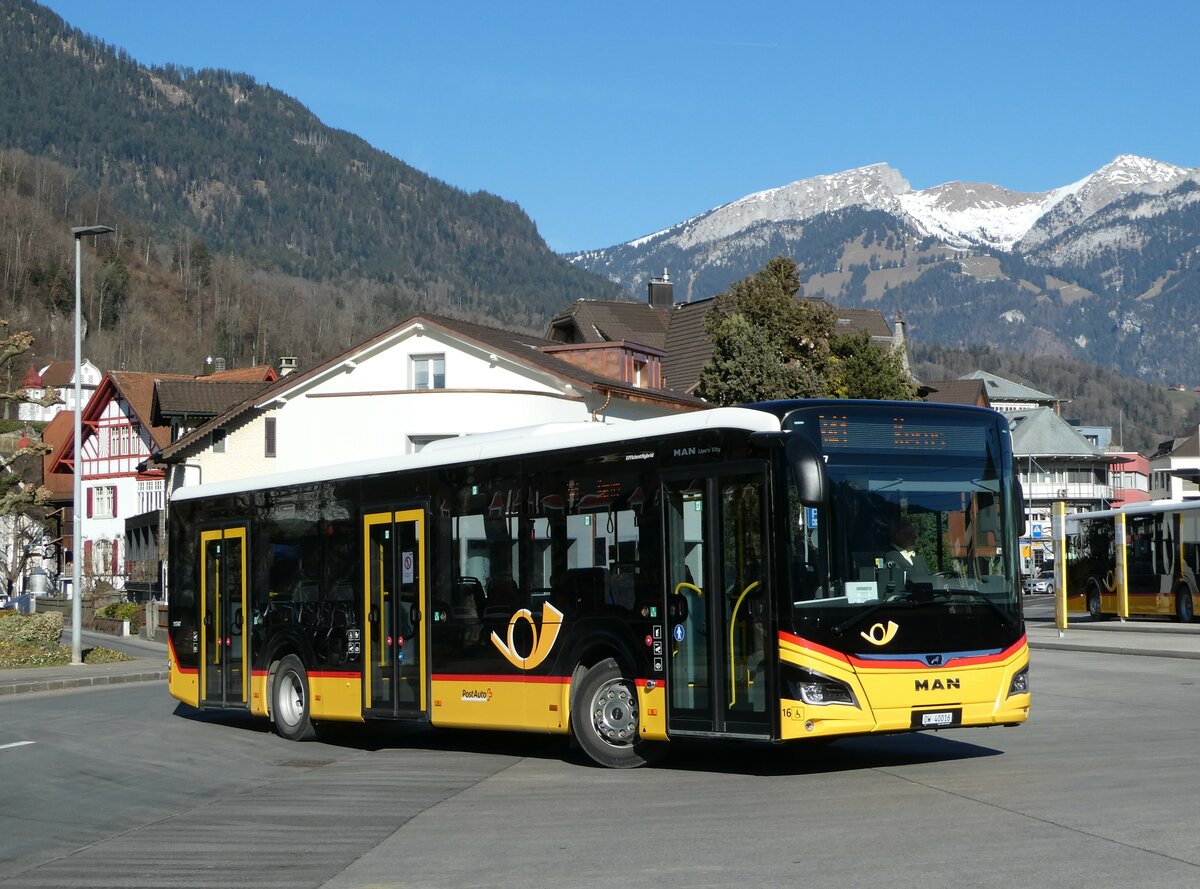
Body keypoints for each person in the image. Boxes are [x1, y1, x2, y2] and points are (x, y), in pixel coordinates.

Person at [884, 519, 931, 586]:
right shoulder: (891, 557)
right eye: (909, 534)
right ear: (898, 536)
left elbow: (929, 576)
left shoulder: (919, 559)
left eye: (915, 533)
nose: (915, 536)